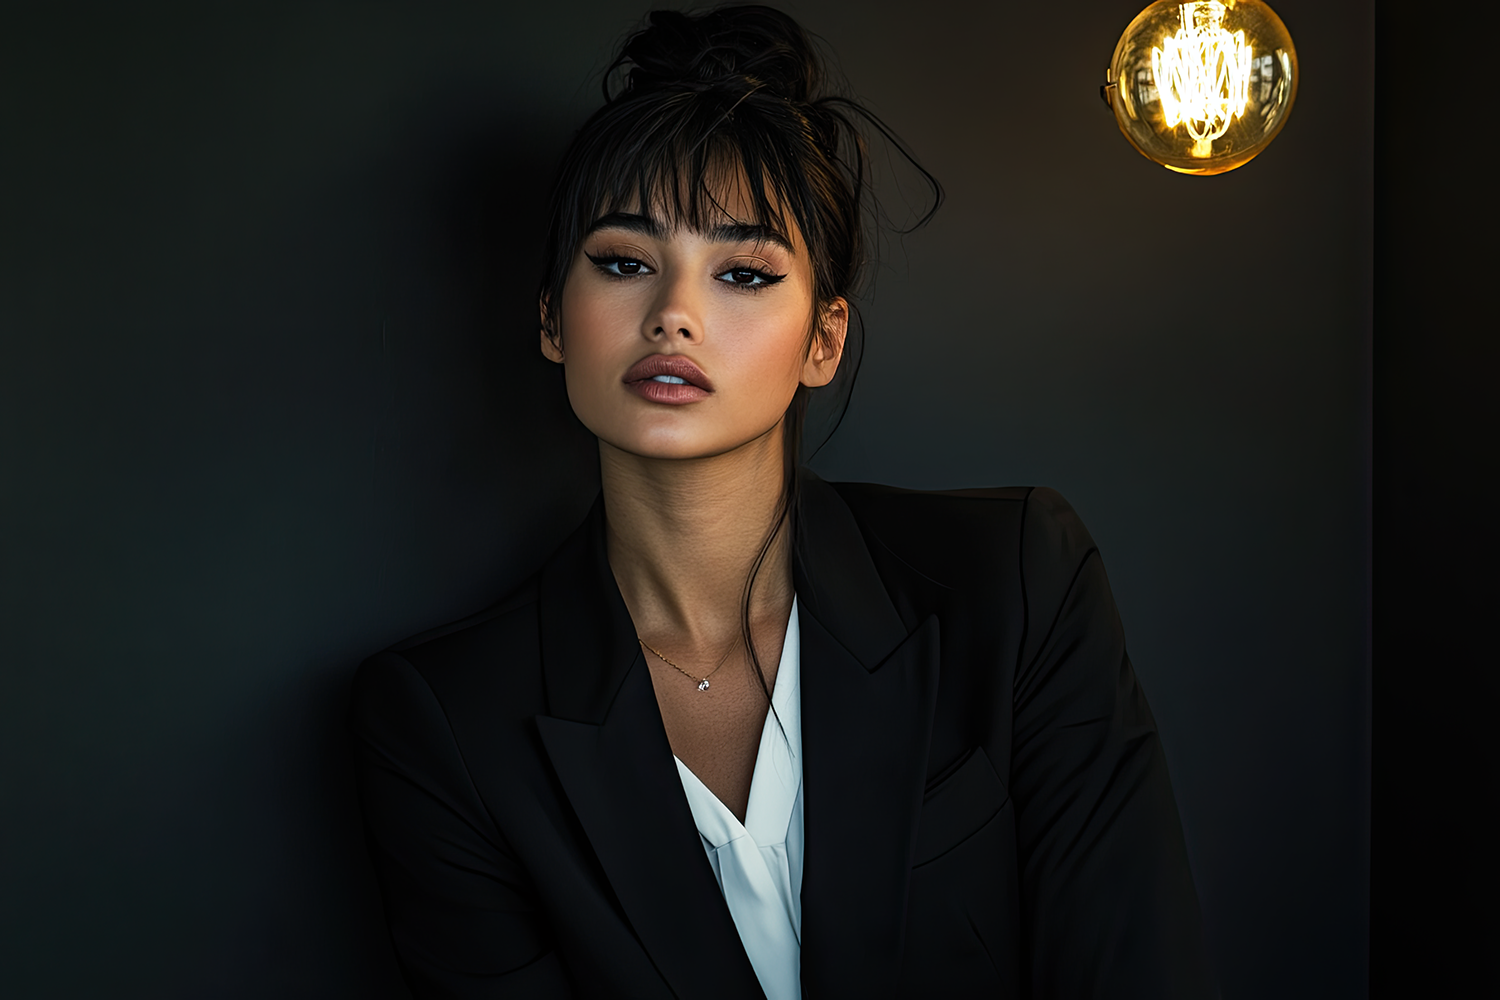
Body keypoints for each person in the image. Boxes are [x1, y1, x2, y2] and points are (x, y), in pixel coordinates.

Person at [350, 5, 1216, 997]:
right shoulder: (450, 722)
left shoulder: (1017, 584)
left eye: (745, 272)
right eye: (625, 262)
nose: (673, 312)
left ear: (824, 340)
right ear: (553, 317)